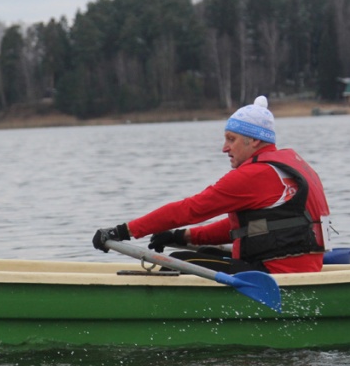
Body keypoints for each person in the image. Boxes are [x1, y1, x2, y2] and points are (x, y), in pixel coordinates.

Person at [93, 96, 331, 274]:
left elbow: (189, 210)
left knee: (176, 264)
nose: (224, 148)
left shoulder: (253, 175)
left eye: (231, 139)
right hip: (302, 269)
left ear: (254, 140)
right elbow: (249, 227)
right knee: (202, 253)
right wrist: (181, 236)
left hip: (274, 275)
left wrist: (122, 231)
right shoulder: (294, 164)